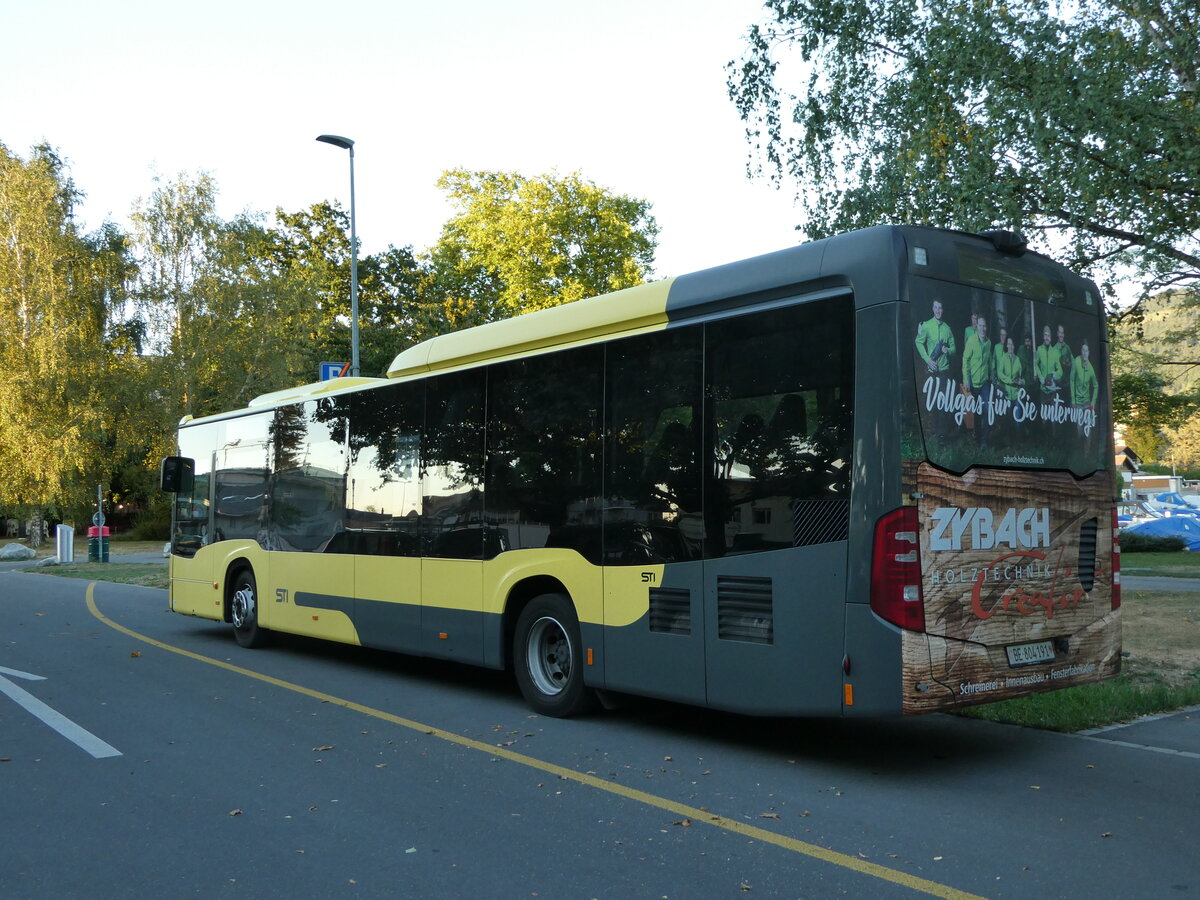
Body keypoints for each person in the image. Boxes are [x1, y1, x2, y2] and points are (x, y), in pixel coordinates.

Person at [962, 318, 994, 448]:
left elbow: (990, 360)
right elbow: (965, 360)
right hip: (973, 382)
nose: (982, 328)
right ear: (977, 327)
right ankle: (976, 435)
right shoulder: (971, 341)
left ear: (986, 327)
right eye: (980, 325)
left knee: (986, 409)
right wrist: (966, 379)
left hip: (985, 382)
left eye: (984, 326)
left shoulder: (989, 343)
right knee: (975, 411)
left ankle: (984, 441)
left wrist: (992, 373)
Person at [915, 299, 957, 373]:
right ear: (933, 309)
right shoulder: (926, 325)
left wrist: (948, 350)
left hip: (945, 370)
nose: (938, 311)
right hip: (931, 370)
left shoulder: (947, 329)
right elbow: (918, 342)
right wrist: (927, 359)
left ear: (943, 310)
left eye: (940, 308)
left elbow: (954, 349)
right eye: (936, 307)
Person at [1070, 339, 1099, 408]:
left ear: (1088, 352)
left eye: (1086, 351)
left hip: (1086, 402)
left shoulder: (1090, 368)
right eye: (1083, 350)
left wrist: (1093, 402)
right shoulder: (1076, 362)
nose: (1084, 353)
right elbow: (1072, 380)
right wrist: (1073, 400)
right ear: (1081, 351)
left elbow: (1096, 386)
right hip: (1076, 402)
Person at [1034, 325, 1062, 394]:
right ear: (1043, 337)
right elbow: (1035, 364)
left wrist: (1055, 374)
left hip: (1052, 388)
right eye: (1045, 335)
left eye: (1048, 336)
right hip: (1042, 388)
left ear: (1051, 338)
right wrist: (1040, 377)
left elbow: (1060, 371)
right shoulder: (1039, 350)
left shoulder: (1055, 352)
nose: (1047, 338)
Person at [996, 336, 1024, 402]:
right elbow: (1000, 373)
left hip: (1017, 395)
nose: (1010, 346)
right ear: (1006, 345)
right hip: (1006, 395)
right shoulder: (1003, 358)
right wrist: (1010, 381)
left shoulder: (1018, 359)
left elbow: (1022, 376)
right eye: (1008, 344)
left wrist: (1022, 381)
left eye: (1012, 344)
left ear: (1014, 346)